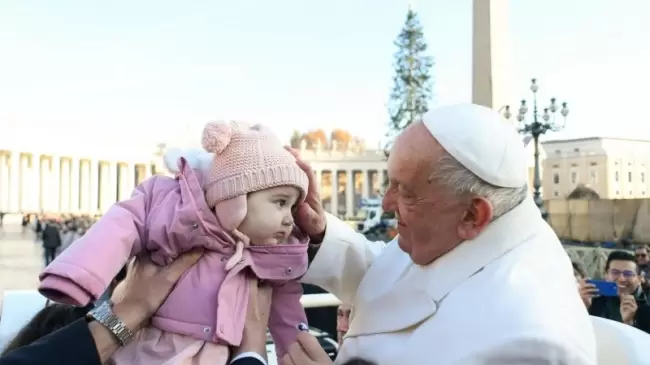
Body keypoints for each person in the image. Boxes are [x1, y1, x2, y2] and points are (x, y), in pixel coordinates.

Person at [288, 104, 597, 364]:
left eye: (405, 192)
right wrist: (319, 234)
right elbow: (396, 280)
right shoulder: (459, 229)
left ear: (473, 215)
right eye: (390, 183)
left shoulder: (531, 342)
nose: (385, 203)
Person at [37, 121, 311, 365]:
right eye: (281, 203)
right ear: (236, 197)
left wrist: (297, 350)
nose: (290, 220)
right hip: (153, 350)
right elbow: (123, 222)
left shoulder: (270, 258)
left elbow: (289, 313)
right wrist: (77, 275)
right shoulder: (177, 216)